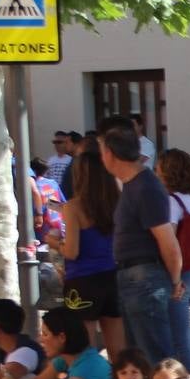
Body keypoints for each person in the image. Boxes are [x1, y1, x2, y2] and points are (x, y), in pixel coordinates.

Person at [99, 124, 185, 364]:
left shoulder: (146, 187)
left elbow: (167, 240)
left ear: (110, 153)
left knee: (155, 356)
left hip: (145, 279)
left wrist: (176, 280)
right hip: (132, 277)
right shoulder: (131, 184)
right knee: (139, 358)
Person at [45, 150, 125, 361]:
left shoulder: (74, 206)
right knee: (118, 350)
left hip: (83, 280)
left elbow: (72, 251)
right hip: (112, 276)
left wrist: (53, 242)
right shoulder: (117, 202)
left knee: (84, 349)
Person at [156, 148, 190, 376]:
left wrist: (175, 280)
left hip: (180, 276)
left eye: (158, 169)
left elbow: (170, 244)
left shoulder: (171, 202)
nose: (155, 173)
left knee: (182, 352)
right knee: (179, 345)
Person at [31, 158, 66, 244]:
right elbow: (63, 203)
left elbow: (35, 209)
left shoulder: (34, 187)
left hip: (43, 230)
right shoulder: (53, 183)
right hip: (58, 224)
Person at [59, 131, 84, 201]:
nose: (64, 145)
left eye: (67, 143)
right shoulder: (73, 160)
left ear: (76, 144)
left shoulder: (82, 163)